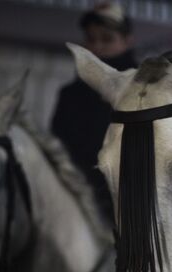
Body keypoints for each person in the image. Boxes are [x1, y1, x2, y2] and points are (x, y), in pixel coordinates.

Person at [52, 2, 137, 223]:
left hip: (133, 209)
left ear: (127, 42)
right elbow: (59, 150)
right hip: (77, 208)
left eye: (107, 39)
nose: (97, 47)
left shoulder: (142, 93)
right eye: (91, 39)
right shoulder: (70, 95)